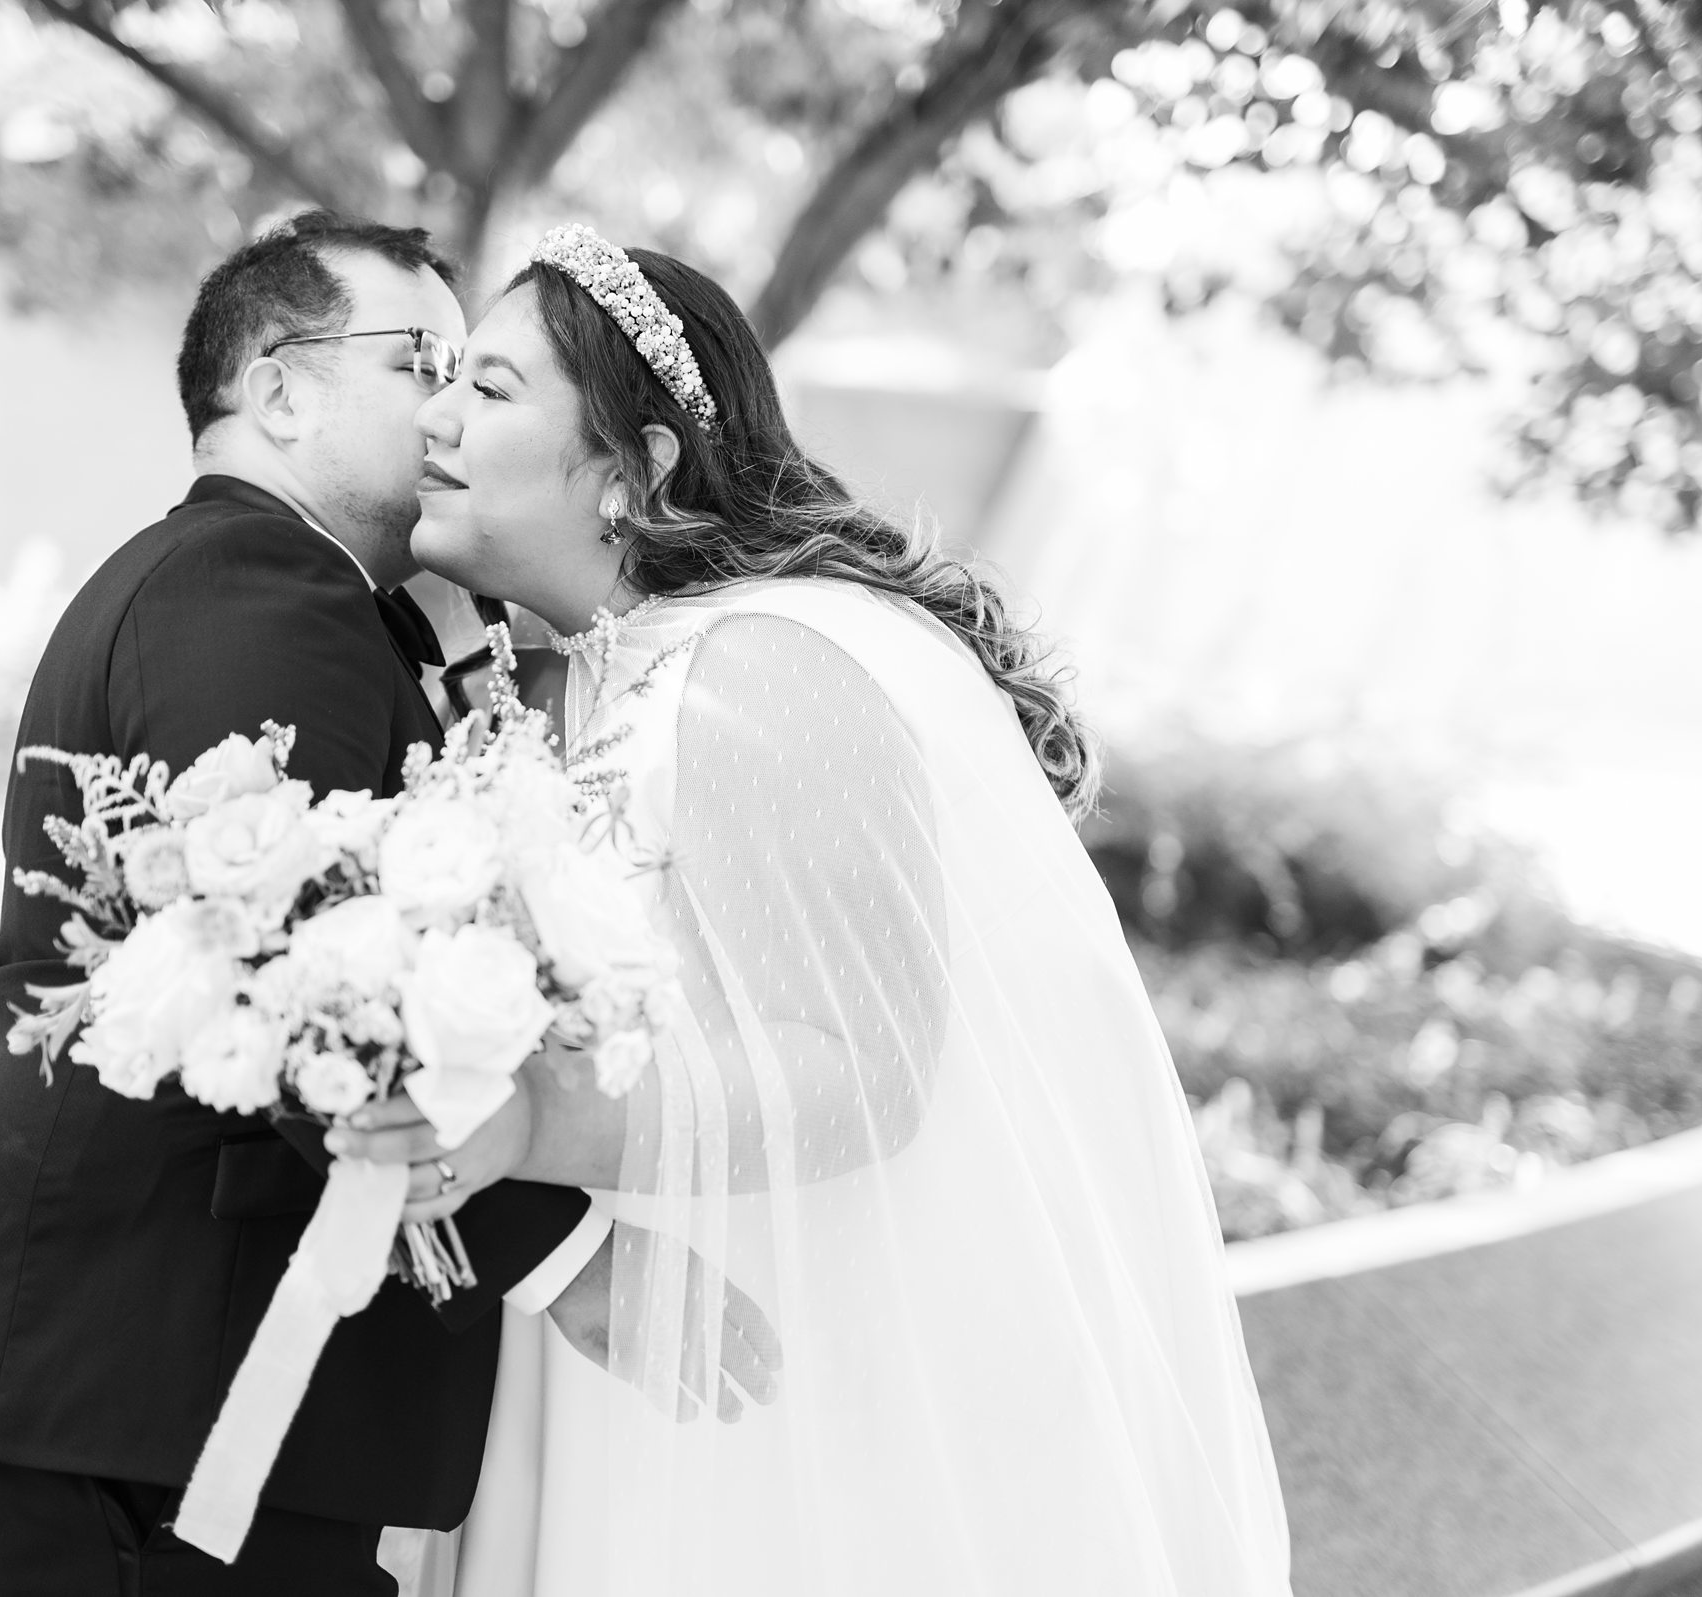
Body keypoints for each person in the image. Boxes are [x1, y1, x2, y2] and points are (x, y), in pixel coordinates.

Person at [340, 223, 1295, 1594]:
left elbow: (864, 1060)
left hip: (764, 1388)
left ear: (633, 467)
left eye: (489, 389)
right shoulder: (585, 683)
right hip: (610, 1349)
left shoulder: (762, 670)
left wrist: (538, 1120)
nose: (434, 415)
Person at [0, 211, 610, 1596]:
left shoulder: (271, 589)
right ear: (278, 388)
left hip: (146, 1380)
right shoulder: (255, 590)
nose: (453, 407)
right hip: (141, 1383)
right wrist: (561, 1252)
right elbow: (291, 976)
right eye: (422, 363)